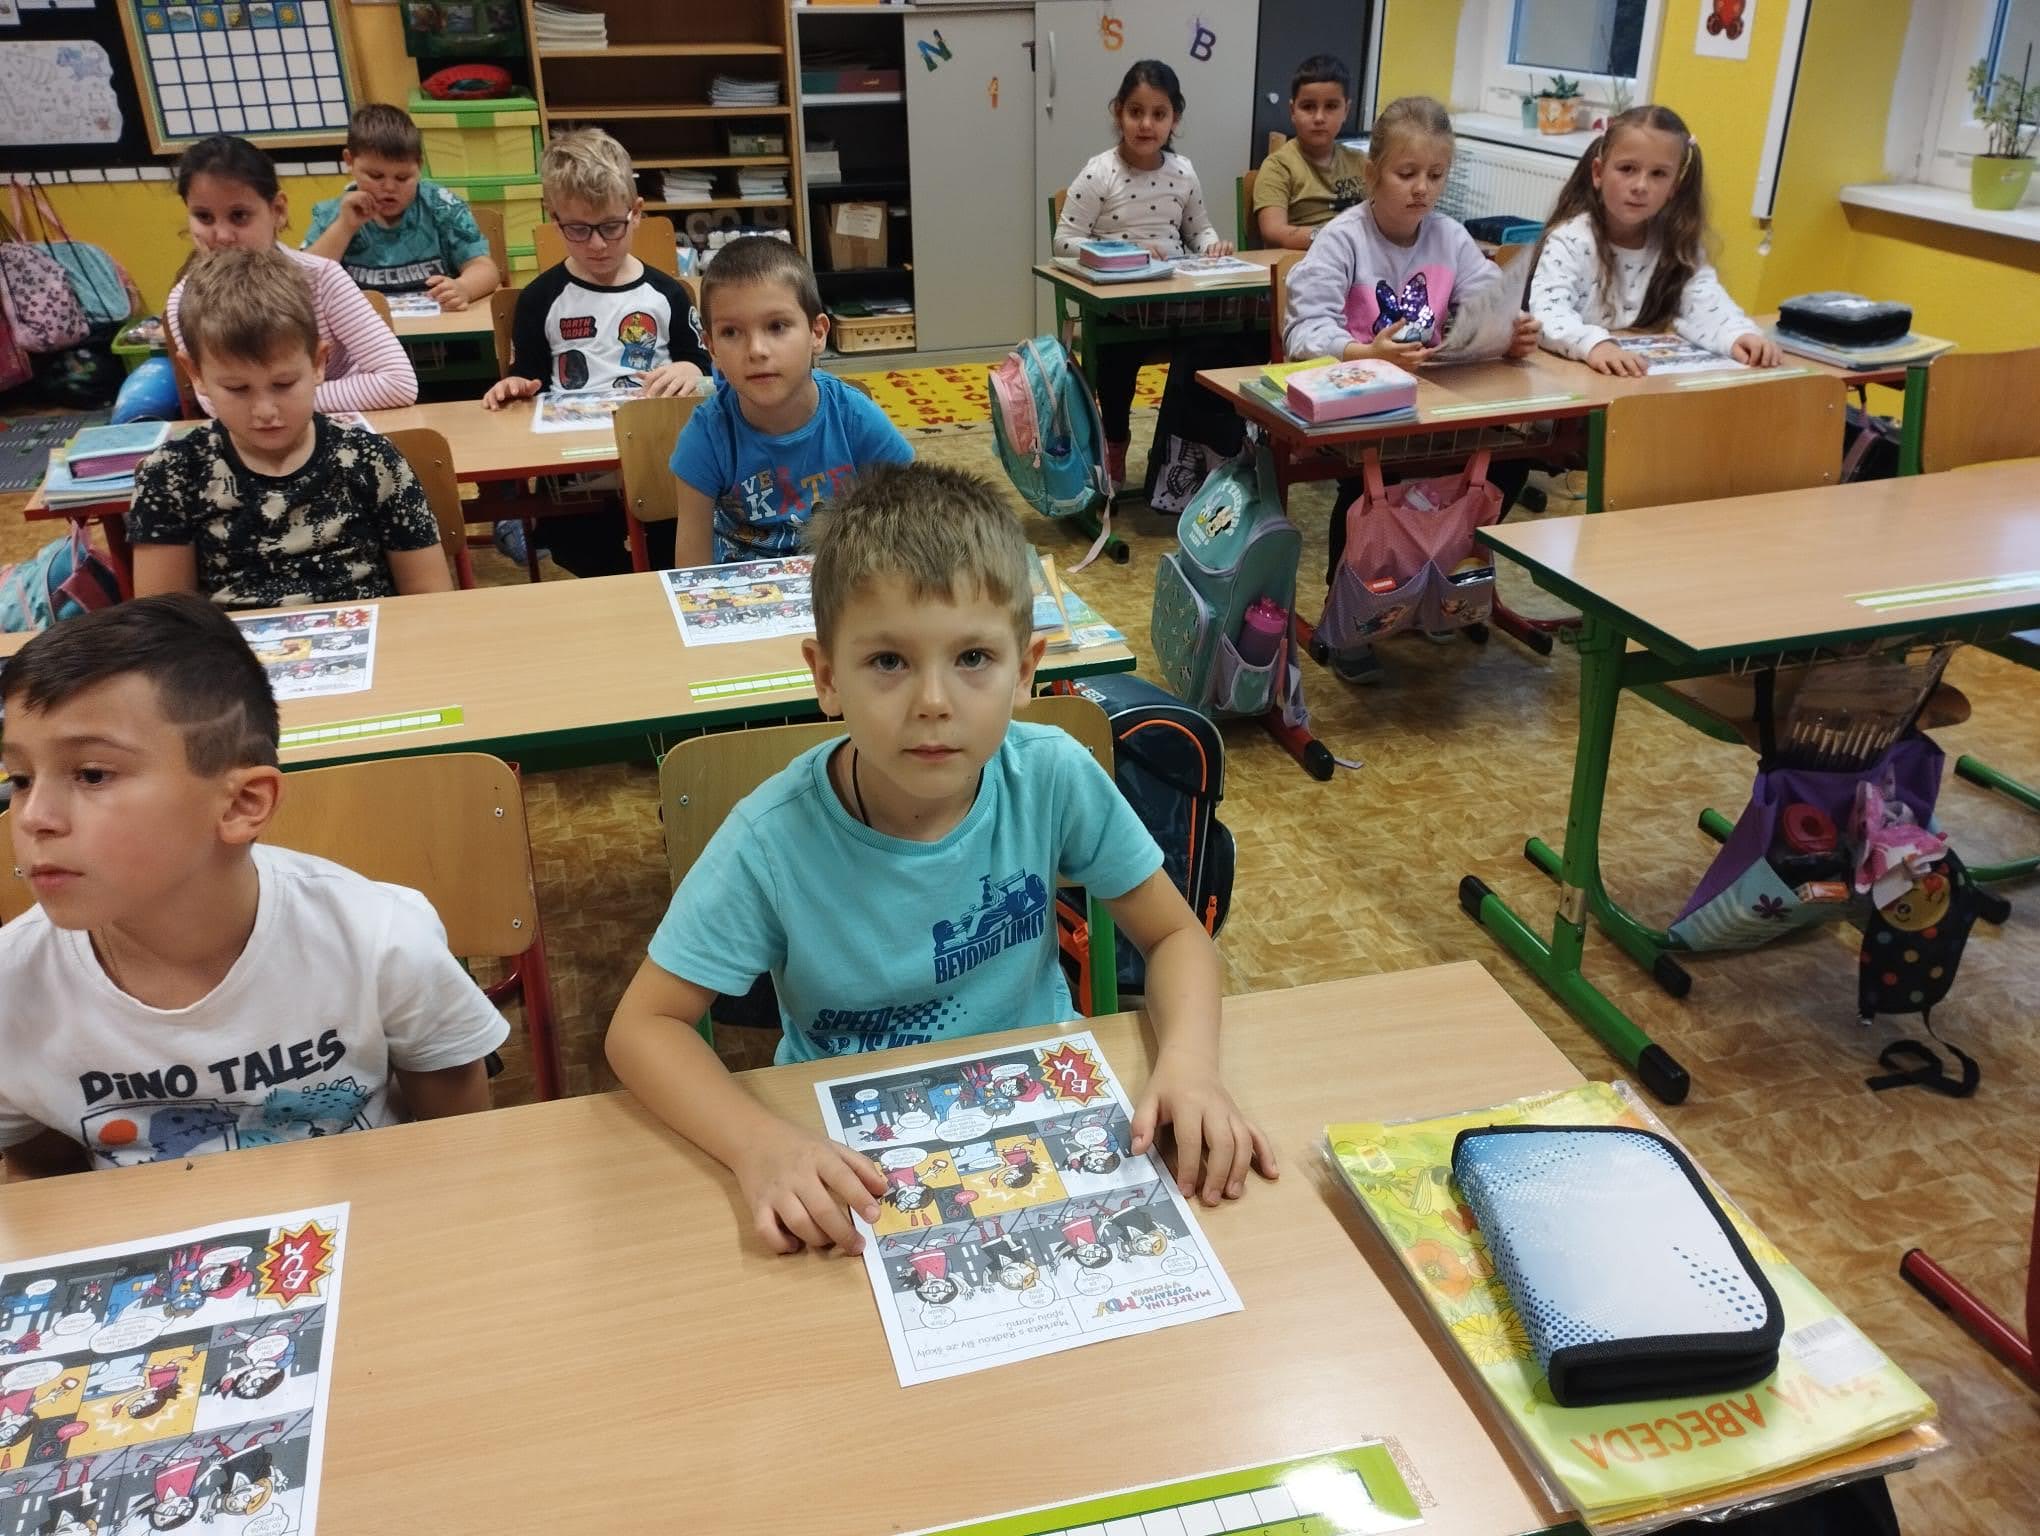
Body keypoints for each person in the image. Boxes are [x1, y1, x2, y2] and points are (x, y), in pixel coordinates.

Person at [606, 463, 1276, 1256]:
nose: (933, 701)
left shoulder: (1052, 776)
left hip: (1042, 1111)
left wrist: (1191, 1066)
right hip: (850, 1155)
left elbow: (1175, 935)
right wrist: (759, 1146)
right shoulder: (771, 841)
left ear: (1025, 671)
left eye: (973, 658)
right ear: (826, 677)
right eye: (889, 662)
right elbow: (643, 1028)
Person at [0, 596, 508, 1179]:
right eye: (20, 778)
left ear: (242, 803)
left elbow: (457, 1145)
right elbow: (46, 1181)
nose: (33, 816)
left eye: (92, 774)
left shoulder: (381, 939)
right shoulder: (12, 987)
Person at [1283, 95, 1541, 682]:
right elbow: (1302, 331)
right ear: (1372, 173)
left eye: (1436, 175)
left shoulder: (1449, 236)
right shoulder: (1342, 239)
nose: (1422, 188)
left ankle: (1436, 588)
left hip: (1435, 401)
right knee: (1370, 491)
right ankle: (1350, 617)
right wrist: (1364, 352)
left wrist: (1513, 330)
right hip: (1363, 410)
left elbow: (1488, 299)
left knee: (1509, 459)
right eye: (1406, 174)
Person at [130, 245, 452, 610]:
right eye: (237, 389)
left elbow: (430, 599)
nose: (265, 411)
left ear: (318, 363)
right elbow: (165, 623)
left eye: (283, 384)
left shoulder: (372, 461)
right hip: (225, 647)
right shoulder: (172, 474)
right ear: (196, 374)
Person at [483, 127, 710, 575]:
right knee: (582, 553)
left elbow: (701, 367)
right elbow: (529, 375)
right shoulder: (540, 298)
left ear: (636, 213)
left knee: (669, 549)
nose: (597, 244)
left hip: (660, 464)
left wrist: (688, 368)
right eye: (578, 230)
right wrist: (516, 384)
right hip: (576, 474)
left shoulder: (668, 294)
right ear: (555, 220)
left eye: (610, 226)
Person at [667, 234, 912, 568]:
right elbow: (691, 568)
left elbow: (912, 520)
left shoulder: (855, 418)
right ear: (711, 348)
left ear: (817, 333)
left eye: (777, 326)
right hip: (740, 588)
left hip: (839, 585)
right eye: (731, 333)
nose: (756, 350)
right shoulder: (705, 437)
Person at [1053, 59, 1235, 491]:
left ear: (1175, 119)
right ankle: (1114, 441)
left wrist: (1213, 246)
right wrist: (1124, 253)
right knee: (1117, 358)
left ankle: (1191, 447)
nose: (1146, 124)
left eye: (1159, 114)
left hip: (1176, 304)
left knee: (1225, 340)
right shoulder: (1101, 171)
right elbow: (1063, 242)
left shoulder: (1183, 171)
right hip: (1120, 309)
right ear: (1118, 112)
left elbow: (1198, 230)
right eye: (1136, 112)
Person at [166, 134, 417, 415]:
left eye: (239, 216)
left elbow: (398, 382)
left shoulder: (321, 279)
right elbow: (213, 402)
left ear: (278, 210)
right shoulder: (184, 300)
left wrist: (279, 402)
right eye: (204, 217)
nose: (222, 236)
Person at [1527, 103, 1781, 376]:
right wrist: (1596, 346)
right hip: (1575, 380)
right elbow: (1547, 315)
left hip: (1636, 381)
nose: (1640, 186)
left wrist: (1739, 334)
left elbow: (1705, 302)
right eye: (1627, 169)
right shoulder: (1570, 240)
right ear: (1598, 173)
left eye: (1658, 174)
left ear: (1674, 187)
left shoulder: (1677, 244)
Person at [302, 102, 500, 310]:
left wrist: (463, 287)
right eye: (375, 176)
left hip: (440, 325)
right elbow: (304, 284)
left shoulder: (442, 207)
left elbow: (485, 268)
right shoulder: (332, 215)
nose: (389, 187)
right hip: (362, 327)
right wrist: (344, 227)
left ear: (419, 166)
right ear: (349, 160)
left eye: (402, 177)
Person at [1253, 54, 1369, 250]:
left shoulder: (1361, 162)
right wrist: (1334, 237)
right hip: (1306, 259)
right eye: (1308, 107)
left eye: (1331, 106)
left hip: (1360, 258)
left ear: (1346, 111)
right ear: (1292, 111)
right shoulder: (1279, 166)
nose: (1319, 118)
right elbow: (1273, 231)